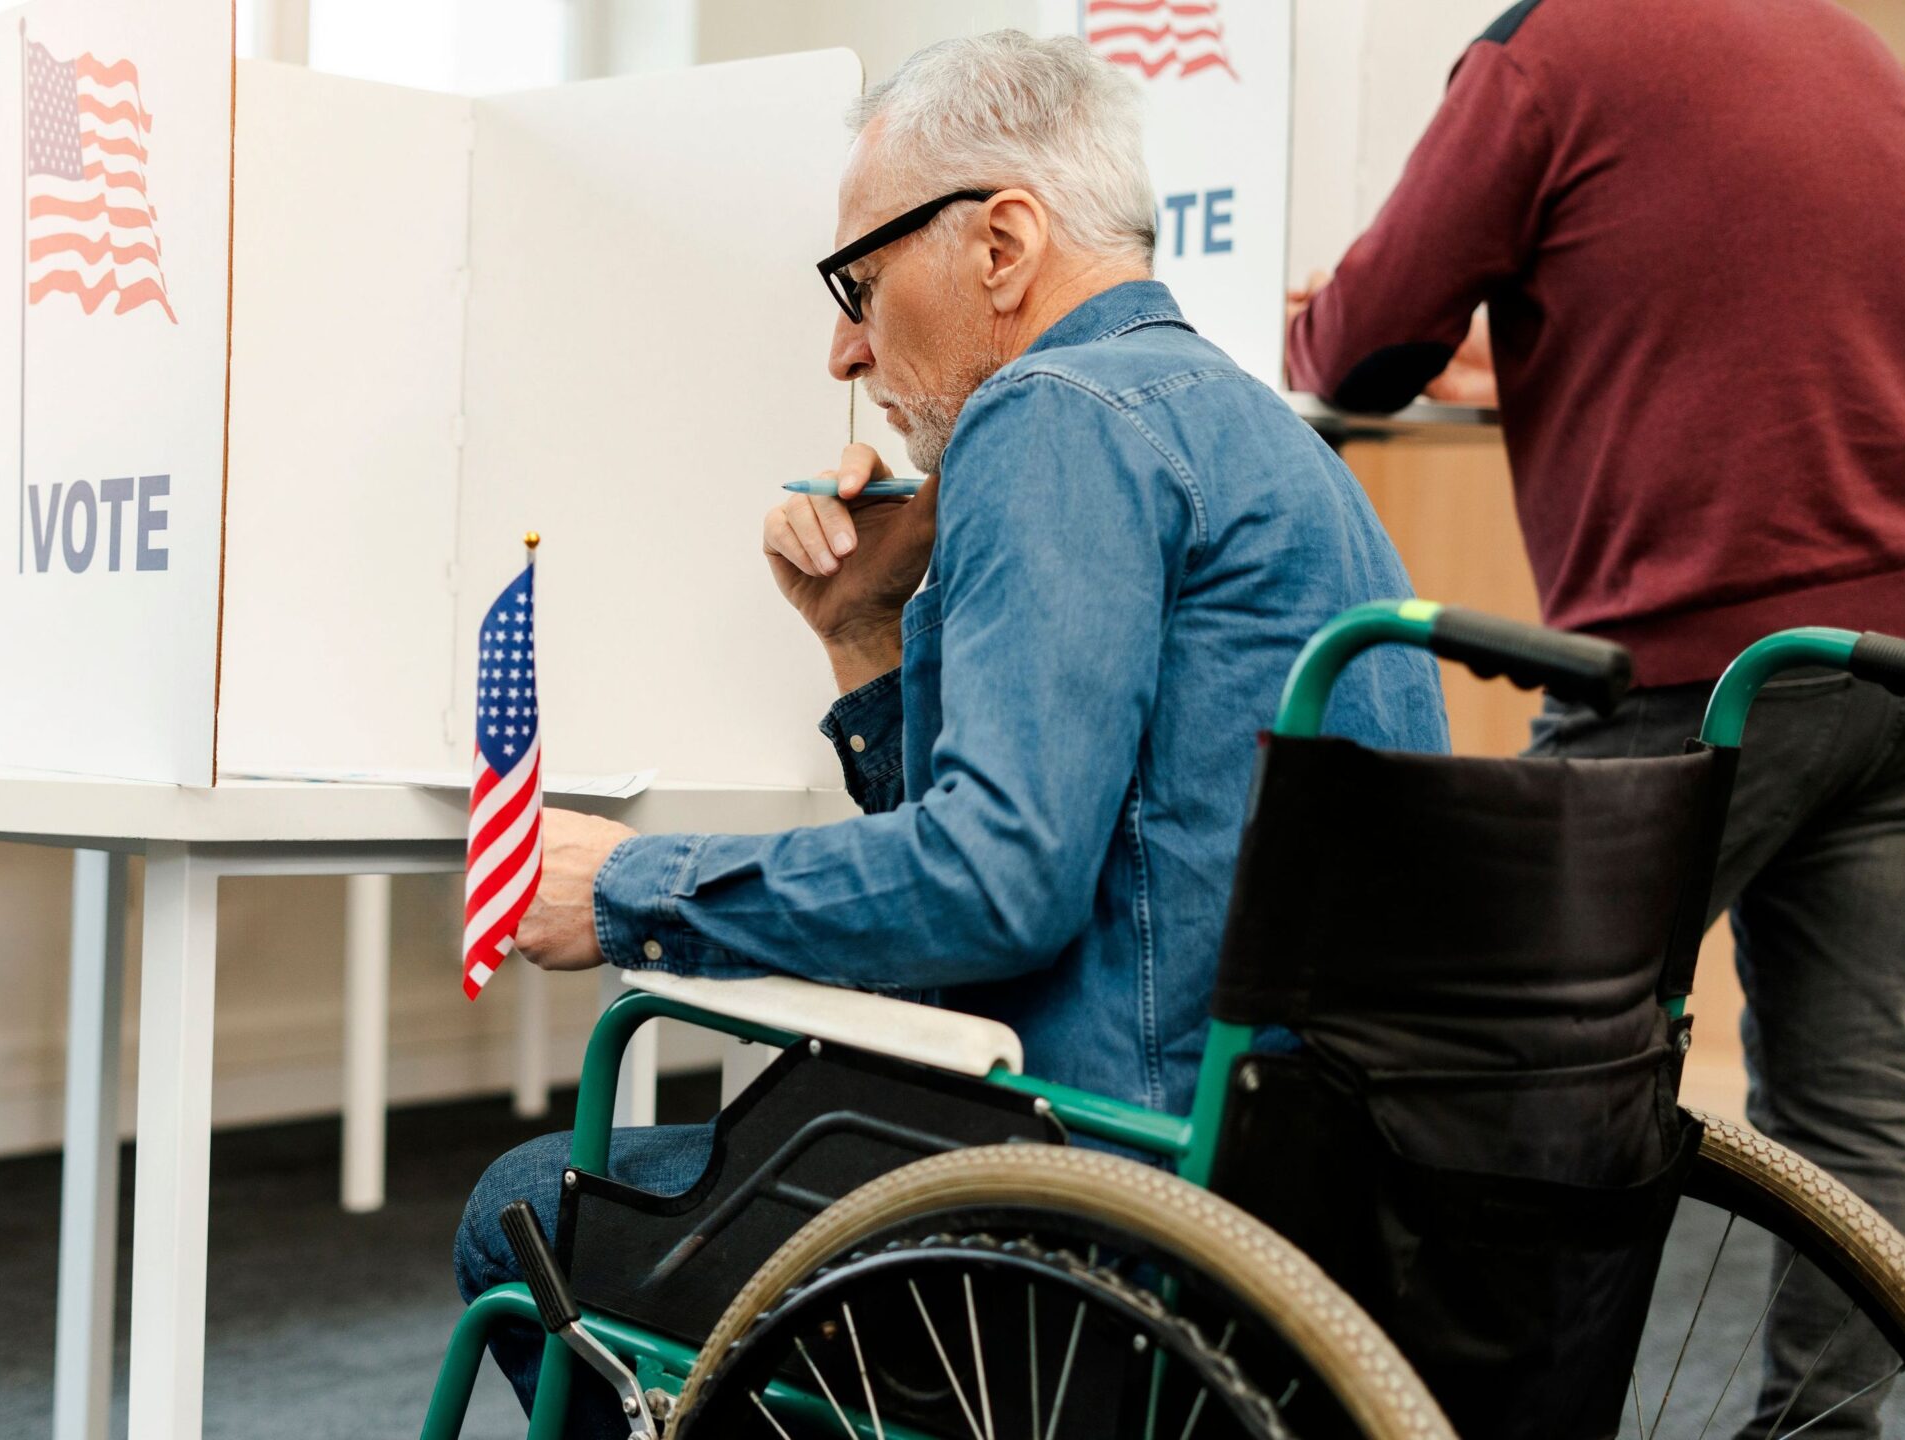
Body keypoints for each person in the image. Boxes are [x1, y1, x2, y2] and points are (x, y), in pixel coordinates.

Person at [455, 30, 1449, 1434]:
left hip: (1101, 1212)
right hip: (1312, 1217)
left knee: (524, 1209)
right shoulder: (1270, 441)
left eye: (856, 282)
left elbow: (997, 887)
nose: (845, 346)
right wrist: (867, 633)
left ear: (1001, 243)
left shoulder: (1047, 418)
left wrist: (629, 888)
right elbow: (1061, 871)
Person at [1284, 3, 1905, 1437]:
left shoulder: (1545, 52)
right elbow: (1734, 318)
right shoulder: (1849, 42)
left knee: (1508, 1094)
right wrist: (1540, 346)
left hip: (1707, 665)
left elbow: (1355, 353)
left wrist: (1311, 314)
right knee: (1847, 1107)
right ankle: (1825, 1430)